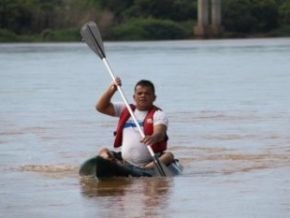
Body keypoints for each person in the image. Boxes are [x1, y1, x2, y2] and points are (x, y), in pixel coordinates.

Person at [96, 77, 174, 169]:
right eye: (139, 93)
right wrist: (112, 90)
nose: (143, 96)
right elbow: (100, 107)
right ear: (134, 97)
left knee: (169, 155)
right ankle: (114, 164)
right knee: (103, 151)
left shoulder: (158, 114)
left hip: (150, 161)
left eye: (147, 93)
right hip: (126, 161)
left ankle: (147, 170)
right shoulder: (125, 109)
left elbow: (160, 133)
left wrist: (153, 137)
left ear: (154, 97)